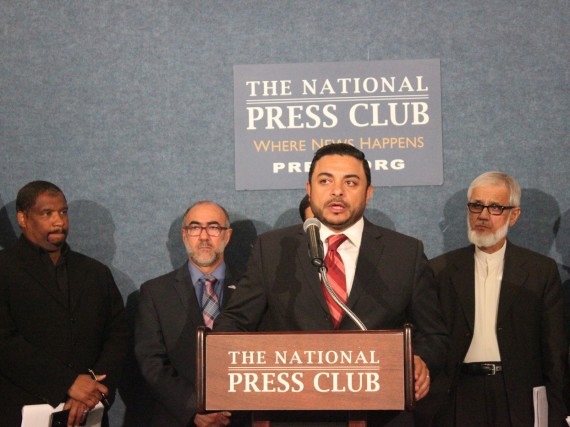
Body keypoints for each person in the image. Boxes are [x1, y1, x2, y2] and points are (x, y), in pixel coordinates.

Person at [215, 144, 448, 425]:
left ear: (369, 192)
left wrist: (421, 360)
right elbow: (234, 322)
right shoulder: (274, 249)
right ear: (309, 189)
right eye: (325, 181)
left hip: (380, 415)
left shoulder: (405, 253)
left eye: (350, 182)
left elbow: (434, 336)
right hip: (293, 415)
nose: (337, 191)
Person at [430, 171, 568, 426]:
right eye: (476, 206)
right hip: (457, 396)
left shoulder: (540, 271)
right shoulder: (439, 270)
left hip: (517, 395)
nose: (483, 215)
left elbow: (554, 349)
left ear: (513, 216)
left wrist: (559, 411)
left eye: (495, 207)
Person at [0, 180, 128, 427]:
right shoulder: (4, 269)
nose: (59, 221)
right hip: (20, 411)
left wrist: (92, 390)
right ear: (23, 219)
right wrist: (68, 383)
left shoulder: (95, 272)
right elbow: (4, 342)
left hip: (89, 413)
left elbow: (118, 335)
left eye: (63, 212)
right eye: (46, 213)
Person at [135, 201, 248, 427]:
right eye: (195, 228)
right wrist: (193, 407)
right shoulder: (155, 292)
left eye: (214, 227)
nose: (204, 237)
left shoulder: (251, 289)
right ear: (184, 235)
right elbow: (152, 361)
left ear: (227, 236)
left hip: (240, 418)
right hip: (180, 419)